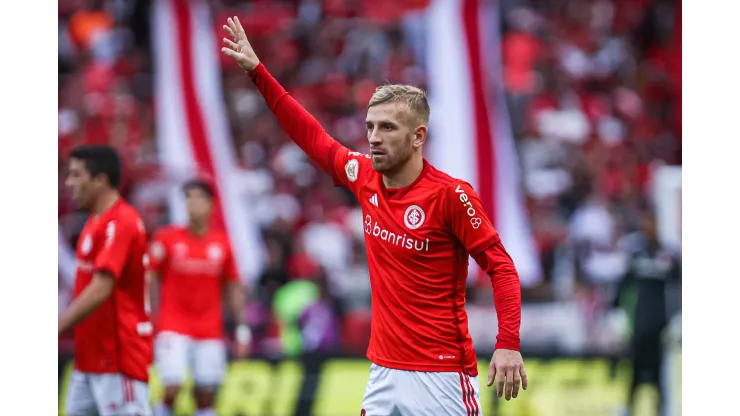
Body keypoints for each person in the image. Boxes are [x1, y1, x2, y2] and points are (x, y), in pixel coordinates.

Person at [221, 16, 527, 415]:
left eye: (387, 127)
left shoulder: (451, 195)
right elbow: (311, 135)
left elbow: (501, 267)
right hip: (383, 371)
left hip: (441, 376)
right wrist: (259, 72)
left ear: (418, 136)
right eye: (370, 127)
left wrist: (507, 343)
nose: (374, 138)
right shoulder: (363, 176)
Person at [59, 144, 152, 416]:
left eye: (76, 175)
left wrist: (57, 328)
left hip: (117, 361)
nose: (69, 183)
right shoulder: (94, 222)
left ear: (100, 180)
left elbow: (101, 288)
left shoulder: (122, 221)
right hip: (88, 362)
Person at [147, 178, 250, 416]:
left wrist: (242, 330)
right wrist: (150, 315)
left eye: (198, 198)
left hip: (209, 329)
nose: (193, 203)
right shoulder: (166, 238)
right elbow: (149, 278)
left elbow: (233, 288)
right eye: (188, 198)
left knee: (206, 394)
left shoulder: (222, 244)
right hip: (172, 326)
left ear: (211, 204)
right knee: (173, 385)